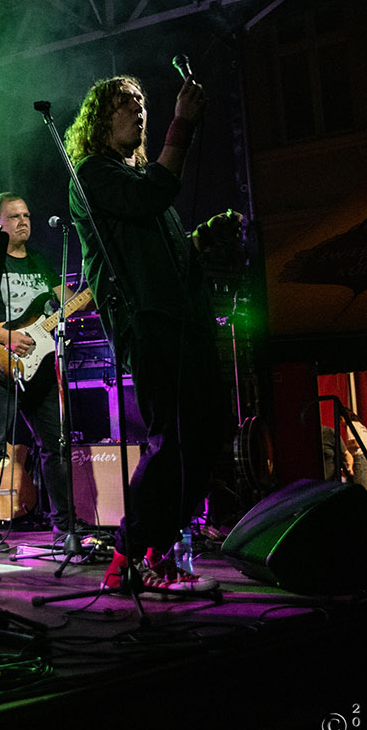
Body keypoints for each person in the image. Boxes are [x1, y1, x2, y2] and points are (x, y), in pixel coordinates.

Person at [65, 73, 241, 593]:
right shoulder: (93, 173)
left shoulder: (139, 177)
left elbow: (164, 246)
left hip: (183, 320)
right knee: (173, 441)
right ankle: (131, 557)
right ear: (101, 118)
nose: (138, 111)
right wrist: (181, 124)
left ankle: (154, 550)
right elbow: (150, 195)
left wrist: (201, 240)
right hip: (147, 323)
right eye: (125, 104)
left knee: (207, 436)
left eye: (142, 103)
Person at [0, 193, 79, 554]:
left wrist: (96, 289)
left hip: (42, 367)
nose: (24, 221)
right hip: (1, 364)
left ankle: (65, 529)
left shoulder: (40, 261)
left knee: (56, 447)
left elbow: (67, 301)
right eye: (15, 216)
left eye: (27, 215)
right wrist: (6, 336)